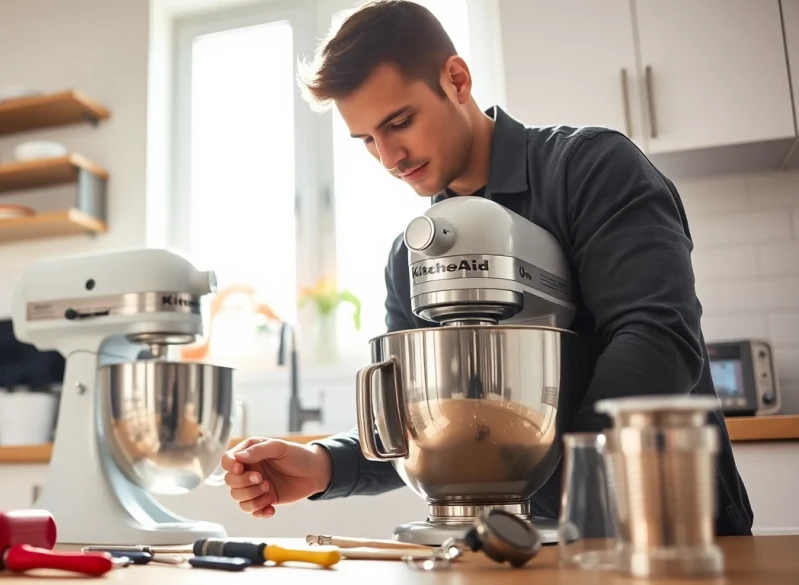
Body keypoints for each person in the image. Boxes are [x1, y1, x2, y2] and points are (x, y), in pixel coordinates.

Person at [217, 0, 754, 536]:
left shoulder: (592, 168)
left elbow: (659, 336)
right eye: (367, 141)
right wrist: (324, 465)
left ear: (456, 79)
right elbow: (422, 419)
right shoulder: (411, 257)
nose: (389, 157)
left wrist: (577, 491)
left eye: (399, 122)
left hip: (677, 528)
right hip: (538, 548)